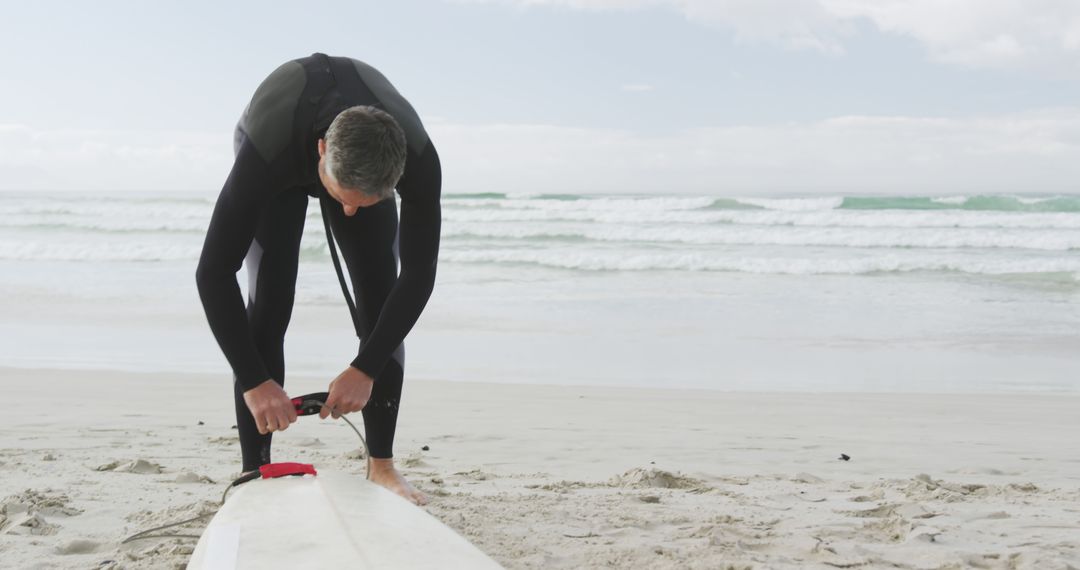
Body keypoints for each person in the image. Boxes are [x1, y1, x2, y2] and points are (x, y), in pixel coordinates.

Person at [195, 53, 441, 505]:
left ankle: (382, 466)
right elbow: (212, 273)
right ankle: (257, 469)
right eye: (343, 199)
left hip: (358, 158)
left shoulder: (418, 158)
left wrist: (365, 368)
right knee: (270, 298)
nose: (348, 213)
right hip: (282, 147)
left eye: (363, 204)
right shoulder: (265, 155)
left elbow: (420, 275)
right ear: (323, 152)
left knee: (379, 296)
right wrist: (255, 381)